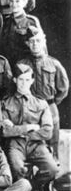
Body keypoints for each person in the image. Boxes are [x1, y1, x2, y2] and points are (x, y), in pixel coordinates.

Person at [1, 63, 58, 191]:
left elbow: (47, 131)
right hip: (15, 145)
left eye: (27, 80)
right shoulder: (5, 102)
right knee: (17, 168)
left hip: (36, 144)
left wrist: (18, 130)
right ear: (14, 80)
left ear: (32, 80)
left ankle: (34, 190)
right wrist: (29, 127)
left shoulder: (41, 103)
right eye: (20, 79)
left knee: (52, 169)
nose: (23, 83)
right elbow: (5, 132)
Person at [18, 26, 69, 159]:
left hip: (50, 106)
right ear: (27, 44)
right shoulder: (22, 64)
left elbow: (63, 89)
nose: (35, 44)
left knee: (52, 141)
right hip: (29, 107)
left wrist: (51, 103)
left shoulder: (54, 64)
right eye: (32, 41)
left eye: (38, 41)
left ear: (43, 41)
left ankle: (53, 171)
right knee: (30, 140)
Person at [0, 0, 41, 64]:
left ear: (24, 3)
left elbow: (41, 47)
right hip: (9, 66)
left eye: (17, 1)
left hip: (26, 66)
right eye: (12, 1)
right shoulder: (6, 21)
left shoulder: (31, 21)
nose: (14, 4)